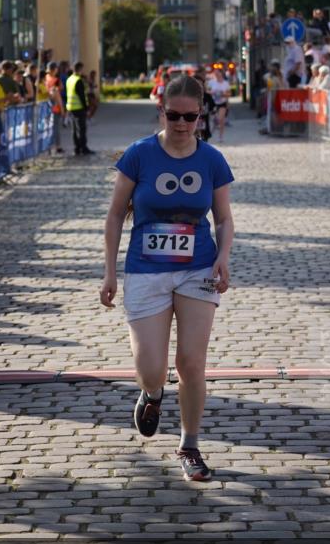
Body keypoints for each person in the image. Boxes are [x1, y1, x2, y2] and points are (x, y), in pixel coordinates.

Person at [100, 75, 234, 482]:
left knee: (192, 363)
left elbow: (224, 218)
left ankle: (189, 445)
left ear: (200, 115)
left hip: (198, 270)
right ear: (161, 111)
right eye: (173, 115)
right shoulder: (139, 155)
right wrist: (109, 271)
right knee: (152, 368)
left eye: (189, 117)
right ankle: (153, 393)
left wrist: (223, 256)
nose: (180, 123)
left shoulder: (211, 160)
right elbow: (114, 214)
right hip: (146, 270)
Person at [66, 61, 94, 156]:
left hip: (71, 107)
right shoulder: (78, 80)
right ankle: (83, 148)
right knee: (82, 129)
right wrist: (86, 108)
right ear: (80, 69)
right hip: (79, 108)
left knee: (74, 129)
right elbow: (81, 96)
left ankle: (76, 148)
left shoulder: (69, 79)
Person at [45, 62, 64, 155]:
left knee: (47, 128)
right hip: (55, 108)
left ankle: (48, 147)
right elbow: (58, 96)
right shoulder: (55, 80)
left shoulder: (45, 78)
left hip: (45, 107)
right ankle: (57, 146)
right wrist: (62, 109)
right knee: (55, 128)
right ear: (54, 69)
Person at [207, 66, 230, 143]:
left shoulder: (225, 83)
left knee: (221, 119)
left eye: (218, 72)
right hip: (213, 103)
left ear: (221, 73)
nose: (216, 74)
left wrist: (223, 94)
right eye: (215, 72)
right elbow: (207, 91)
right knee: (214, 119)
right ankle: (212, 131)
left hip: (222, 103)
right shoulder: (211, 82)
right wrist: (212, 92)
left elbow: (228, 94)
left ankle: (221, 136)